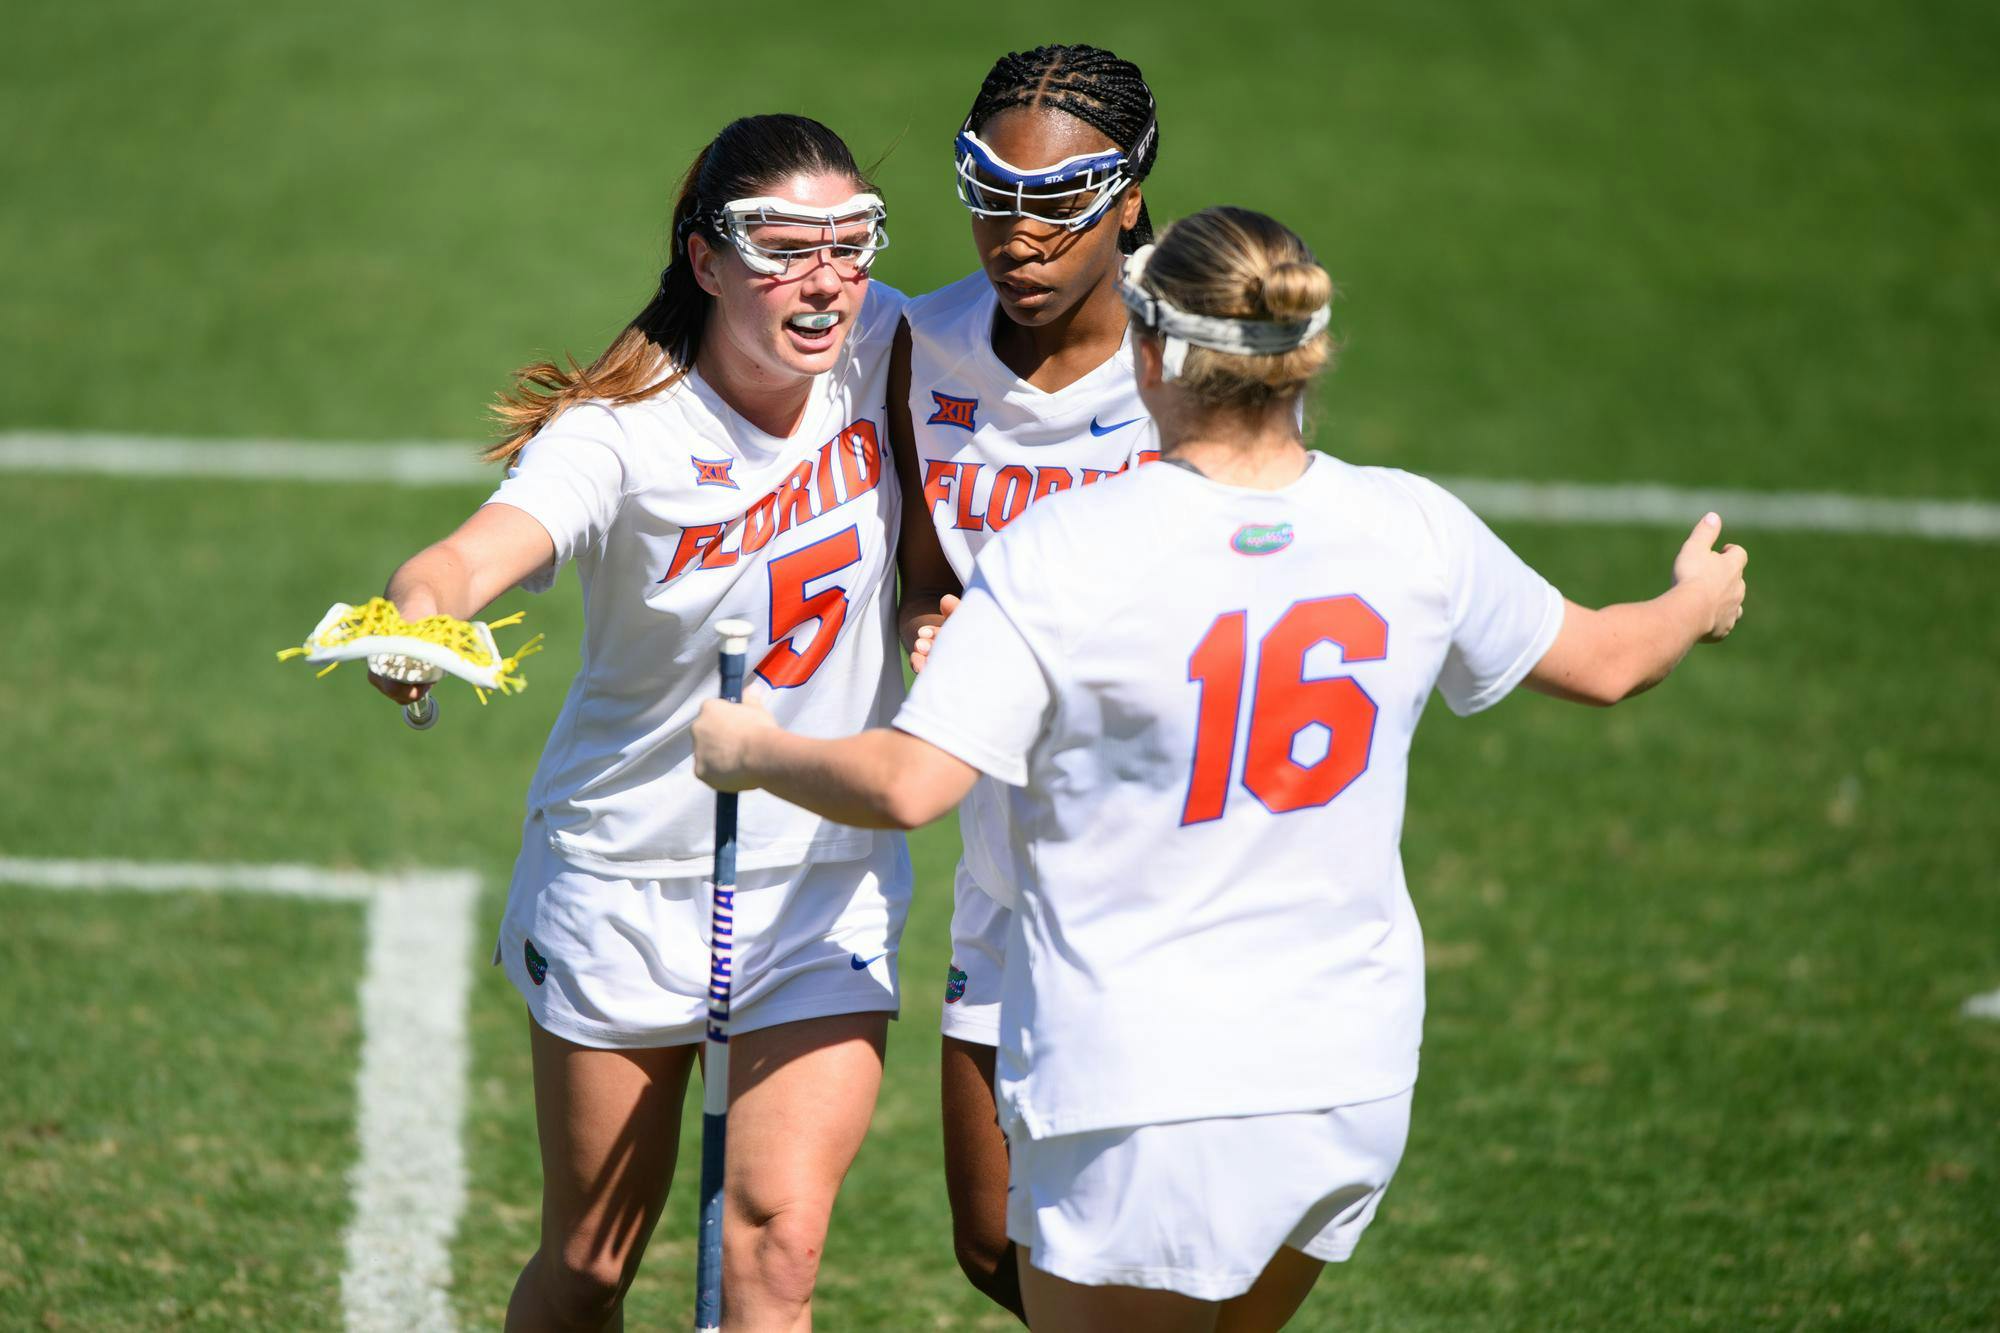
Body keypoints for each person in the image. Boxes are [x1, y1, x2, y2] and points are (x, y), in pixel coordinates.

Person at [691, 205, 1748, 1331]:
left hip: (1139, 1086)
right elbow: (1608, 660)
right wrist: (1696, 599)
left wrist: (750, 747)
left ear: (1149, 352)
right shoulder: (1413, 525)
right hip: (1345, 1079)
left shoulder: (1063, 552)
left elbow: (909, 784)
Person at [369, 114, 910, 1332]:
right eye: (782, 247)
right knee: (595, 1262)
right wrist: (420, 619)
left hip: (820, 879)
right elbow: (462, 560)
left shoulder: (891, 344)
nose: (823, 279)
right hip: (622, 876)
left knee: (777, 1244)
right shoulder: (620, 434)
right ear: (706, 261)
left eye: (850, 243)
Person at [888, 44, 1162, 1321]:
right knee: (995, 1246)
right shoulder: (926, 346)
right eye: (992, 197)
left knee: (1146, 1256)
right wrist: (925, 627)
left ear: (1127, 200)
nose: (1020, 235)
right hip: (1002, 857)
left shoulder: (1190, 368)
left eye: (1059, 203)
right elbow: (914, 565)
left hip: (1154, 860)